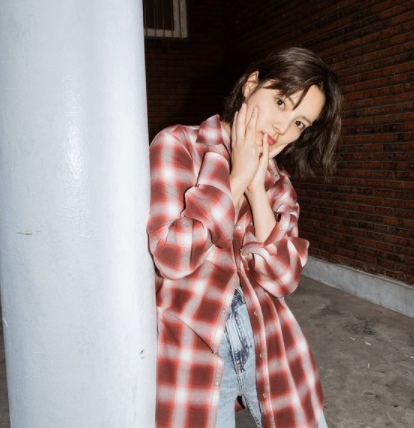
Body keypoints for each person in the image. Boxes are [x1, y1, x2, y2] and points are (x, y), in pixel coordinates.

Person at [147, 46, 342, 428]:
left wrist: (256, 188)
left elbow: (283, 280)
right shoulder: (179, 145)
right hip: (194, 353)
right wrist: (236, 178)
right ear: (252, 84)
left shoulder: (277, 181)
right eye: (281, 102)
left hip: (269, 344)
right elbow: (172, 257)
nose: (283, 128)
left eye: (300, 122)